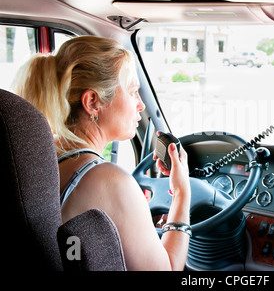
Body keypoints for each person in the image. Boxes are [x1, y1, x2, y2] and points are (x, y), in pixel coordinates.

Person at [13, 36, 191, 271]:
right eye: (133, 91)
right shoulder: (110, 181)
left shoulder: (38, 153)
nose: (140, 105)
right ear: (93, 102)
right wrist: (181, 193)